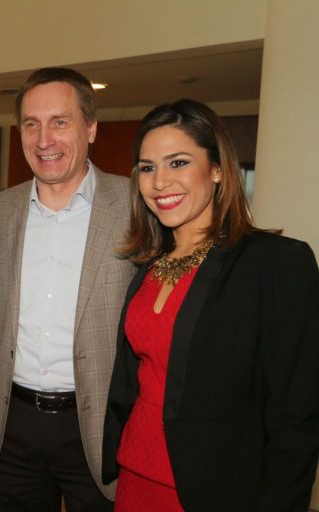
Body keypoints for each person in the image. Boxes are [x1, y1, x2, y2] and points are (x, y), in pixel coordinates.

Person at [102, 99, 319, 511]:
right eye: (147, 168)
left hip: (214, 489)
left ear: (217, 168)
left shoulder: (275, 263)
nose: (160, 182)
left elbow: (297, 414)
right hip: (134, 475)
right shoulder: (147, 267)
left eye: (178, 162)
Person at [0, 67, 135, 512]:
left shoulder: (136, 208)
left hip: (101, 428)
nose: (44, 139)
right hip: (13, 428)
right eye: (31, 124)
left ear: (91, 128)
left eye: (60, 121)